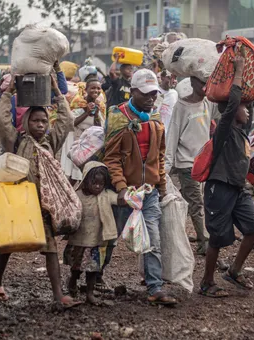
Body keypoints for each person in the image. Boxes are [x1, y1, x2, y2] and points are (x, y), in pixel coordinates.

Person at [0, 74, 80, 309]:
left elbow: (67, 120)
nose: (40, 125)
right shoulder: (16, 141)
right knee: (8, 245)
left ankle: (58, 296)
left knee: (51, 251)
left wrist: (57, 93)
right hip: (21, 203)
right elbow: (1, 119)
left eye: (43, 121)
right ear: (27, 121)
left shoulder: (51, 142)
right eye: (35, 121)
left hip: (44, 207)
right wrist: (8, 92)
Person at [102, 68, 177, 306]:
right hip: (123, 193)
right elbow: (111, 158)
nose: (151, 98)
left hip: (149, 192)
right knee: (109, 238)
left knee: (153, 239)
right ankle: (94, 278)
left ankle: (155, 286)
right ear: (132, 91)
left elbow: (160, 156)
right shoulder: (118, 118)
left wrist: (161, 185)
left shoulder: (155, 120)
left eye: (154, 94)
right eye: (145, 94)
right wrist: (121, 188)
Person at [199, 53, 254, 297]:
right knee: (217, 238)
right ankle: (206, 282)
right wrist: (238, 70)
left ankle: (234, 271)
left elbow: (246, 99)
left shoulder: (240, 131)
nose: (247, 112)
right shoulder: (224, 130)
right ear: (230, 110)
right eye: (243, 108)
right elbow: (235, 99)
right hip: (220, 187)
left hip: (237, 188)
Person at [165, 76, 217, 256]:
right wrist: (166, 166)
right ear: (192, 83)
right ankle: (204, 242)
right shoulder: (181, 106)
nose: (204, 86)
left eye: (206, 82)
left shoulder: (208, 104)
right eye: (201, 82)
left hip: (204, 162)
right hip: (187, 164)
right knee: (197, 203)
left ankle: (197, 236)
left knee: (199, 203)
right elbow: (172, 136)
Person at [64, 162, 118, 305]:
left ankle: (89, 293)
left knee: (93, 270)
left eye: (101, 184)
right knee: (76, 268)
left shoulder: (106, 195)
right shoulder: (77, 196)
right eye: (94, 183)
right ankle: (72, 282)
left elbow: (120, 199)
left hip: (96, 242)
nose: (98, 187)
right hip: (79, 242)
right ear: (85, 181)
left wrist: (134, 195)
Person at [61, 77, 106, 182]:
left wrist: (95, 115)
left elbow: (99, 127)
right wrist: (87, 113)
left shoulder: (101, 105)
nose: (96, 91)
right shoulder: (78, 102)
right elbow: (71, 123)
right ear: (86, 90)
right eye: (93, 88)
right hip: (75, 138)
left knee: (83, 171)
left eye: (98, 88)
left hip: (89, 142)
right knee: (72, 171)